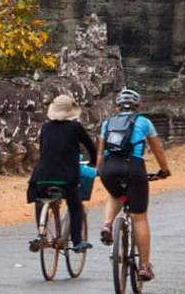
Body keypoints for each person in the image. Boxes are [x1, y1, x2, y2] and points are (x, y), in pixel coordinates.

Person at [97, 88, 171, 282]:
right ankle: (145, 266)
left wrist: (100, 171)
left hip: (109, 168)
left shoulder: (107, 123)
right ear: (138, 106)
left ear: (118, 106)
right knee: (139, 218)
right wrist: (164, 170)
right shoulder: (144, 122)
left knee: (116, 195)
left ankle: (107, 224)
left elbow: (99, 154)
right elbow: (158, 150)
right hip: (133, 167)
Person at [27, 94, 97, 254]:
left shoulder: (45, 127)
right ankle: (77, 241)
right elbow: (91, 147)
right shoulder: (75, 127)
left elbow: (44, 148)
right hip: (66, 177)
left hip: (42, 176)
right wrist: (93, 162)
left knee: (41, 199)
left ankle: (41, 233)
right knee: (75, 205)